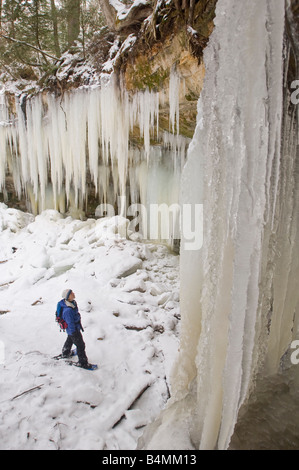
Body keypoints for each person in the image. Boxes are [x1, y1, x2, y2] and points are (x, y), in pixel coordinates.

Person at [60, 289, 90, 369]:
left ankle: (65, 353)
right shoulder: (68, 310)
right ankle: (83, 362)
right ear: (68, 297)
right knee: (80, 345)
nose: (73, 294)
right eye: (71, 293)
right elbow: (70, 323)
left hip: (73, 329)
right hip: (73, 330)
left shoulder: (72, 303)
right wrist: (74, 332)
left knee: (70, 339)